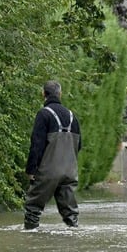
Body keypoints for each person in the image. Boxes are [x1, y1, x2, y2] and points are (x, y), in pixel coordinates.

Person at [23, 80, 82, 229]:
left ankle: (31, 238)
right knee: (71, 214)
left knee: (33, 207)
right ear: (60, 94)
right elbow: (78, 145)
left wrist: (31, 170)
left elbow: (37, 145)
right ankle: (73, 235)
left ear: (43, 94)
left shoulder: (44, 114)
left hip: (48, 172)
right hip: (69, 172)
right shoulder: (72, 116)